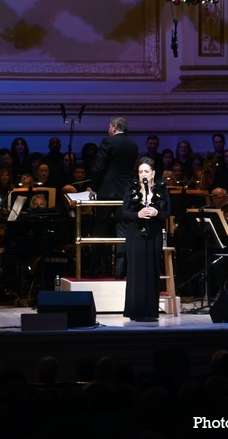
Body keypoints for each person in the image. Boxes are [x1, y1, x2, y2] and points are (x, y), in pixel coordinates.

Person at [121, 157, 170, 322]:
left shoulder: (162, 190)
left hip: (154, 234)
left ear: (153, 173)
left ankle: (150, 311)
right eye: (141, 171)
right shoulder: (131, 189)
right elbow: (124, 212)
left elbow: (167, 212)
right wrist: (138, 214)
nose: (143, 174)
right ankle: (136, 310)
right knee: (136, 271)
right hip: (135, 234)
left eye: (146, 171)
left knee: (152, 269)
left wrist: (157, 213)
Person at [90, 117, 139, 279]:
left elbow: (99, 166)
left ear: (114, 127)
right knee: (122, 231)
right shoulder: (133, 145)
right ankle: (120, 272)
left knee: (100, 229)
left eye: (109, 126)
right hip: (126, 191)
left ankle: (95, 270)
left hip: (107, 190)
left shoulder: (108, 142)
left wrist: (94, 188)